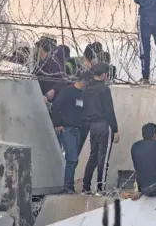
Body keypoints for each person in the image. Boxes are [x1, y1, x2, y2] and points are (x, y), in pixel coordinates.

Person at [51, 70, 94, 194]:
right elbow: (56, 106)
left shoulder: (83, 94)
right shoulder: (68, 91)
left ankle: (69, 185)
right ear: (84, 81)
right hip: (67, 128)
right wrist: (58, 124)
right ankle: (67, 186)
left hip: (78, 129)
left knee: (74, 159)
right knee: (72, 158)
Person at [81, 62, 120, 195]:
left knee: (93, 156)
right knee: (103, 158)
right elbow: (109, 111)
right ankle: (100, 187)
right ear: (104, 75)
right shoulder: (104, 89)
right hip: (104, 125)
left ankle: (85, 187)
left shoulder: (87, 88)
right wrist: (115, 129)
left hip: (92, 126)